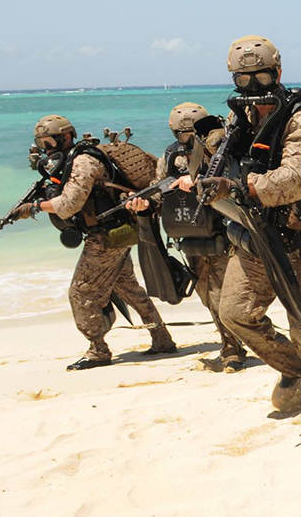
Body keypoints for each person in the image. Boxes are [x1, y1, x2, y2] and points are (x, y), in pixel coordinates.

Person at [176, 36, 301, 413]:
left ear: (277, 74)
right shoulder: (240, 117)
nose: (252, 86)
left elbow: (295, 179)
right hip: (255, 234)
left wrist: (236, 187)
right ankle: (295, 368)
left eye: (261, 77)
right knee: (235, 314)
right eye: (243, 79)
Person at [10, 115, 176, 369]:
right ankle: (161, 338)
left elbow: (69, 205)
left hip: (107, 236)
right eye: (41, 143)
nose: (46, 148)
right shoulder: (73, 158)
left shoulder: (83, 161)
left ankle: (98, 350)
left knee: (81, 292)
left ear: (66, 137)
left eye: (49, 142)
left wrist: (34, 207)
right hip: (116, 232)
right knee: (129, 289)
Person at [129, 103, 246, 371]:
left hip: (223, 229)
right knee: (207, 295)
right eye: (181, 134)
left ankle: (234, 350)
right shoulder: (171, 155)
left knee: (224, 295)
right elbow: (161, 187)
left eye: (191, 133)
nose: (186, 138)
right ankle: (232, 344)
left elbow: (233, 180)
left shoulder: (219, 149)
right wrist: (146, 204)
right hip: (192, 233)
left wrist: (198, 183)